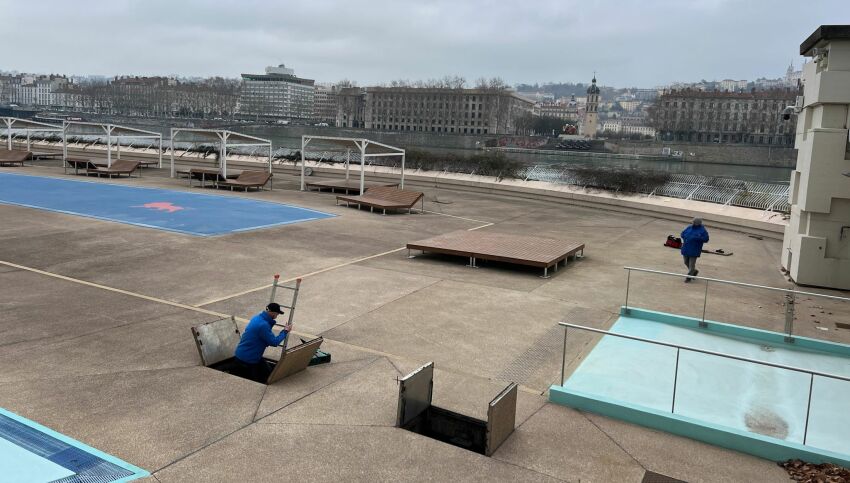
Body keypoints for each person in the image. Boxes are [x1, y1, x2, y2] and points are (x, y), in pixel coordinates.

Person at [234, 303, 292, 383]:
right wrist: (285, 331)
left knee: (268, 371)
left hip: (241, 355)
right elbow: (274, 342)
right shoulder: (263, 325)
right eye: (277, 313)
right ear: (273, 312)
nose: (277, 315)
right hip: (248, 360)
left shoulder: (257, 318)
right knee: (259, 382)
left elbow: (263, 335)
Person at [680, 217, 709, 282]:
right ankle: (694, 271)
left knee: (691, 264)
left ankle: (689, 277)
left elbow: (706, 239)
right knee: (685, 262)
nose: (692, 223)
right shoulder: (689, 227)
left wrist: (697, 238)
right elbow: (682, 233)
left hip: (694, 249)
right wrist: (684, 236)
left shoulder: (702, 230)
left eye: (693, 222)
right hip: (686, 247)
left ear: (697, 223)